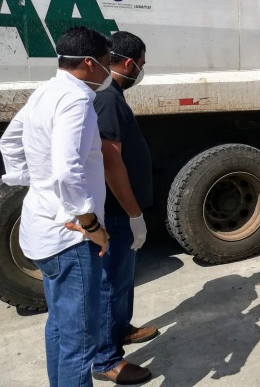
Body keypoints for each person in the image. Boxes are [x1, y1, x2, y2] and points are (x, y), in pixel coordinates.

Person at [0, 26, 112, 387]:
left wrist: (33, 182)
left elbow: (11, 141)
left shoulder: (47, 90)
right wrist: (91, 224)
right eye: (108, 62)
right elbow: (67, 170)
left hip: (42, 227)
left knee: (61, 327)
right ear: (91, 63)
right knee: (79, 341)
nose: (110, 70)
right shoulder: (77, 100)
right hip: (71, 238)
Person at [91, 31, 156, 385]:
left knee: (122, 279)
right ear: (129, 63)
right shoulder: (110, 100)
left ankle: (120, 330)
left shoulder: (111, 96)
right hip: (116, 211)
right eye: (142, 65)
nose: (141, 71)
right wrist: (133, 214)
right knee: (111, 283)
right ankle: (105, 359)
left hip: (120, 210)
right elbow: (110, 160)